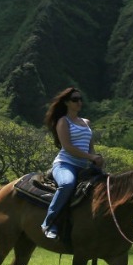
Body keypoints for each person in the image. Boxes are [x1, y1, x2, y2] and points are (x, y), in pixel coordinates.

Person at [41, 87, 102, 241]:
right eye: (75, 99)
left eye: (80, 99)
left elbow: (90, 147)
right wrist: (90, 156)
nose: (79, 102)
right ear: (67, 103)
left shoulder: (86, 122)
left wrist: (96, 159)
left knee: (108, 185)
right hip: (65, 164)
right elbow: (68, 147)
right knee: (67, 184)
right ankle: (49, 223)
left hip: (84, 166)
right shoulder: (63, 121)